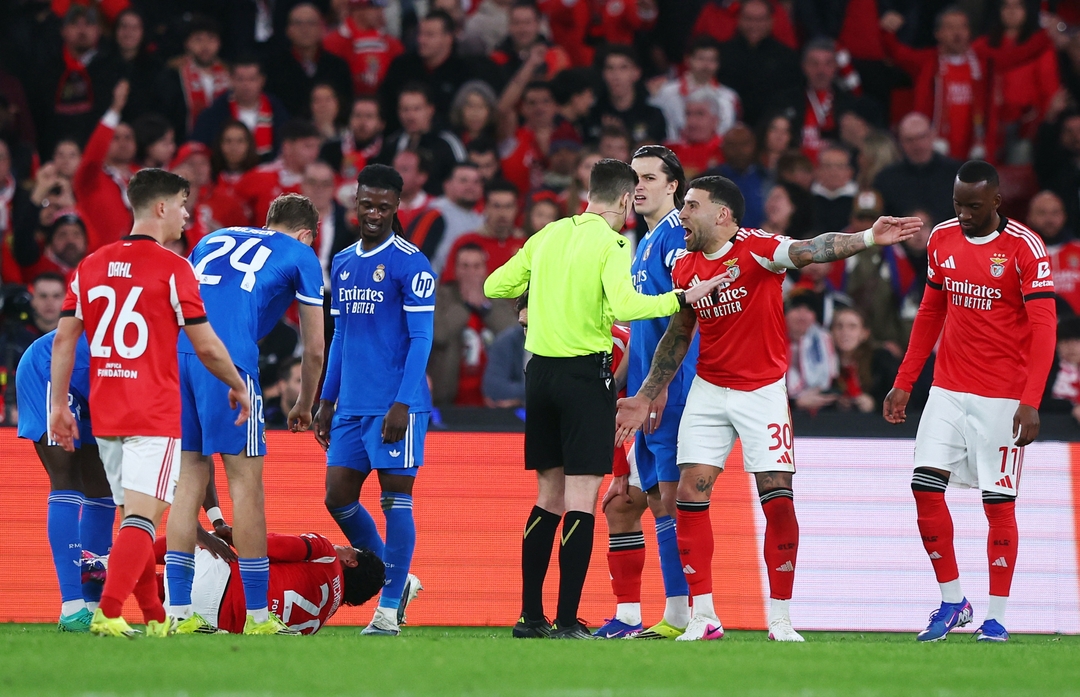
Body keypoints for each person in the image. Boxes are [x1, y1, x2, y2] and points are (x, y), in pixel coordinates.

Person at [615, 175, 920, 642]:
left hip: (762, 393)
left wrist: (866, 237)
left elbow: (813, 249)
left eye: (691, 206)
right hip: (709, 392)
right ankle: (704, 616)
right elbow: (678, 337)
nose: (683, 215)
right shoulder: (686, 268)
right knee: (689, 497)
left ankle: (779, 617)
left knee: (777, 501)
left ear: (722, 214)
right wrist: (646, 392)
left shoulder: (757, 248)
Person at [484, 158, 732, 639]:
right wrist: (682, 297)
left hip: (539, 377)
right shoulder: (614, 243)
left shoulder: (548, 235)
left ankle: (529, 617)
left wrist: (540, 293)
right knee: (580, 501)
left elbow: (497, 285)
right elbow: (624, 306)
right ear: (623, 200)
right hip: (583, 378)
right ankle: (565, 620)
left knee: (545, 499)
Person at [49, 168, 251, 638]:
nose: (186, 215)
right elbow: (204, 344)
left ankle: (155, 617)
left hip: (106, 413)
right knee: (143, 518)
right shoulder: (175, 268)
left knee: (133, 519)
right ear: (160, 208)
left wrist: (59, 404)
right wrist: (236, 383)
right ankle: (109, 610)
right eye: (182, 204)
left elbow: (63, 341)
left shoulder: (91, 265)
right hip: (153, 414)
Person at [883, 160, 1058, 643]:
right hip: (948, 389)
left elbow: (1045, 328)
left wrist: (1031, 399)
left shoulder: (1025, 248)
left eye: (974, 207)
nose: (963, 214)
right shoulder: (941, 238)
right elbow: (930, 310)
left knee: (998, 504)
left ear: (998, 201)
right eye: (958, 204)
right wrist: (905, 379)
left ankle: (997, 615)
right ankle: (952, 601)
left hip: (1003, 396)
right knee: (923, 488)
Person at [167, 193, 325, 635]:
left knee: (190, 477)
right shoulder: (301, 254)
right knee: (246, 485)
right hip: (230, 363)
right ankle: (258, 616)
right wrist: (305, 403)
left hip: (178, 356)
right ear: (307, 234)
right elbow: (313, 347)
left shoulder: (214, 237)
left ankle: (177, 612)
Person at [315, 164, 434, 636]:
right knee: (337, 497)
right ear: (355, 204)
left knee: (395, 499)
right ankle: (399, 579)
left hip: (394, 406)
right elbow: (341, 333)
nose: (375, 213)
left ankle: (387, 610)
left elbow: (421, 339)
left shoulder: (411, 263)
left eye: (384, 206)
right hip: (350, 406)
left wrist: (403, 403)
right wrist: (327, 398)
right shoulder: (343, 262)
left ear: (396, 208)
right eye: (368, 204)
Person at [594, 146, 695, 640]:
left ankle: (683, 615)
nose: (638, 186)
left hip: (673, 391)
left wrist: (657, 388)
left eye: (650, 178)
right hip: (645, 392)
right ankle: (631, 615)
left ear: (674, 185)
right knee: (625, 503)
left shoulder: (677, 236)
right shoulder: (643, 242)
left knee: (668, 501)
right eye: (634, 178)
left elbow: (687, 316)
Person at [15, 330, 114, 631]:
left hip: (99, 379)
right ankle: (72, 608)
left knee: (103, 486)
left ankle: (93, 610)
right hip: (52, 367)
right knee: (67, 475)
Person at [157, 532, 385, 634]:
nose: (340, 545)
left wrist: (228, 533)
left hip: (215, 584)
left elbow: (263, 545)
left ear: (351, 561)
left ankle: (129, 560)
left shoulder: (326, 553)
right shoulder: (319, 623)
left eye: (348, 547)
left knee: (197, 532)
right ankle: (148, 580)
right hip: (215, 626)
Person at [430, 243, 518, 406]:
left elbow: (513, 336)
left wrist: (485, 308)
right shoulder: (441, 298)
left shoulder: (497, 299)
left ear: (485, 270)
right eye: (465, 266)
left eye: (476, 266)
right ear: (455, 270)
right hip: (448, 399)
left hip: (494, 402)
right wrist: (466, 305)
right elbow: (439, 335)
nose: (471, 272)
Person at [73, 81, 137, 252]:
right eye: (116, 138)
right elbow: (92, 158)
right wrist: (115, 111)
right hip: (101, 262)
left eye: (128, 138)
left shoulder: (145, 178)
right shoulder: (91, 179)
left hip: (139, 263)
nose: (123, 143)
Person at [263, 4, 354, 120]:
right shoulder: (273, 67)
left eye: (311, 23)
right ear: (288, 30)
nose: (305, 29)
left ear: (321, 29)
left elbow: (346, 105)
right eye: (298, 23)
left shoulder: (338, 66)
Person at [651, 36, 739, 144]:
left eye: (712, 60)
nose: (706, 65)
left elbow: (727, 131)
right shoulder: (667, 92)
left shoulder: (728, 97)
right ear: (688, 60)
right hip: (674, 154)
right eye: (701, 59)